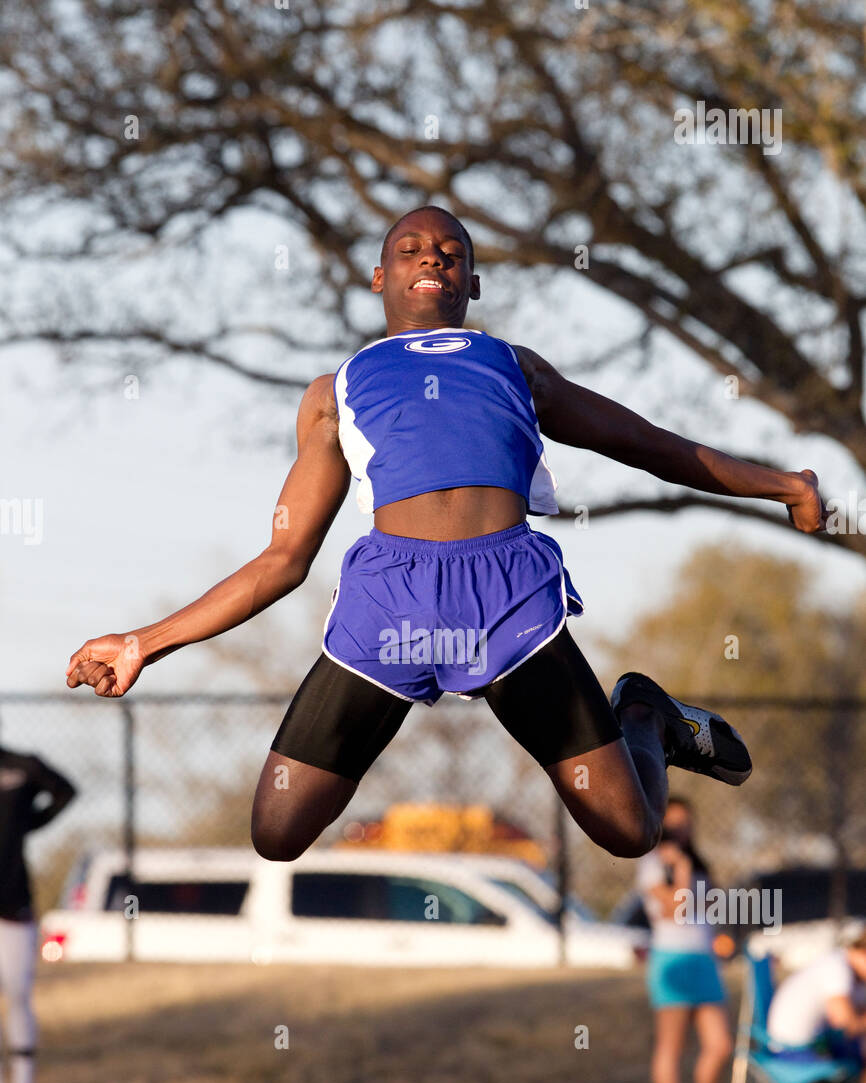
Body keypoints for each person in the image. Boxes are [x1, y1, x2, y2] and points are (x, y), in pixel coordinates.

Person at [65, 205, 825, 876]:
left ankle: (642, 717)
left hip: (506, 603)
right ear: (377, 277)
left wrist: (782, 484)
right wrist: (144, 642)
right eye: (412, 249)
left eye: (452, 252)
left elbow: (648, 443)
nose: (433, 258)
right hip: (386, 605)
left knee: (629, 831)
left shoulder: (516, 368)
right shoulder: (334, 393)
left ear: (473, 284)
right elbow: (282, 560)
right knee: (276, 829)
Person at [636, 796, 732, 1083]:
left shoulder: (699, 863)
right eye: (675, 823)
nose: (682, 830)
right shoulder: (651, 863)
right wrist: (680, 870)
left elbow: (711, 908)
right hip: (671, 961)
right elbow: (677, 909)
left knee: (720, 1044)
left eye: (687, 823)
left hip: (704, 960)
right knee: (671, 1045)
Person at [0, 724, 77, 1083]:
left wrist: (30, 823)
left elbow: (65, 792)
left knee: (18, 992)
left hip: (14, 900)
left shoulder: (22, 767)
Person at [766, 927, 866, 1083]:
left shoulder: (853, 974)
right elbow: (845, 1022)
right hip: (793, 1052)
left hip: (818, 1049)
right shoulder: (836, 968)